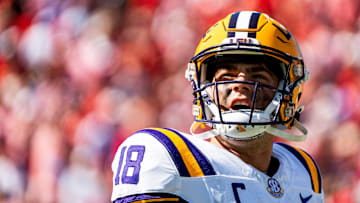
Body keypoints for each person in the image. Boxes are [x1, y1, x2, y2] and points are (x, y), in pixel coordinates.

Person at [111, 11, 324, 202]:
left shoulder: (303, 172)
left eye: (258, 76)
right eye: (226, 77)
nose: (240, 84)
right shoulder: (169, 158)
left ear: (290, 89)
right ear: (205, 88)